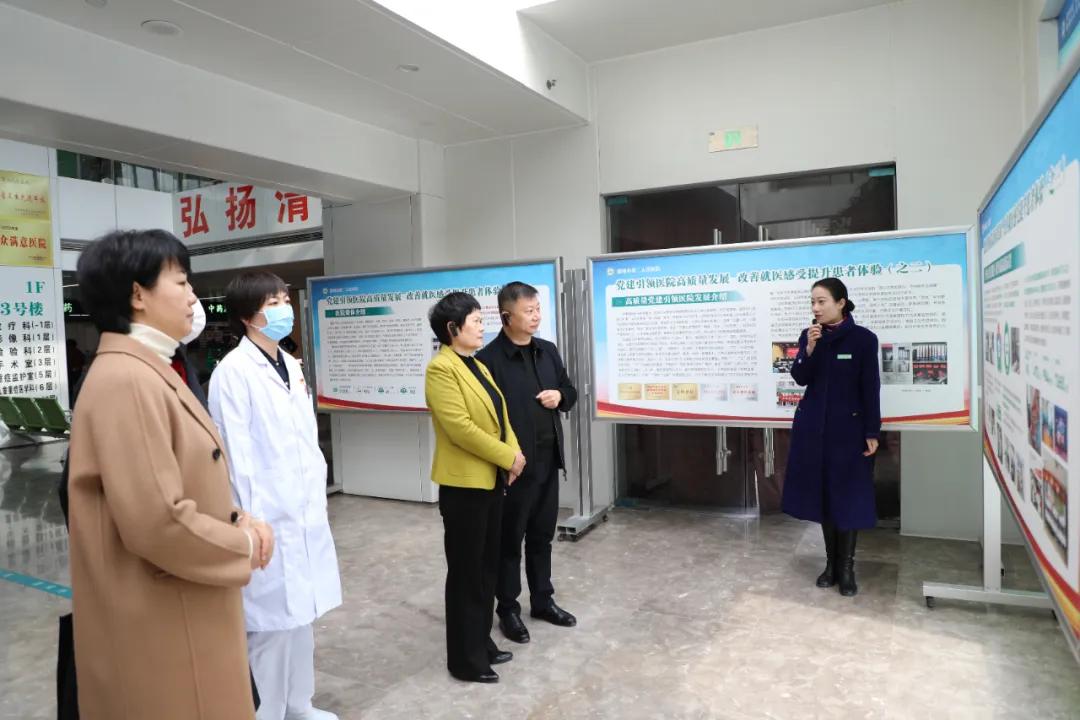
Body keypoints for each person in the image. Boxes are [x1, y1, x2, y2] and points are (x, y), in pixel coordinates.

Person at [67, 229, 274, 720]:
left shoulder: (148, 369)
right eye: (180, 282)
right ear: (138, 294)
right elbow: (157, 521)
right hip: (165, 624)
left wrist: (236, 516)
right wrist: (242, 542)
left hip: (178, 607)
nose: (192, 296)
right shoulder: (128, 379)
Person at [209, 272, 342, 720]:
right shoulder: (233, 372)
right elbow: (235, 455)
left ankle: (299, 705)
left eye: (285, 299)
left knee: (301, 618)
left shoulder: (291, 364)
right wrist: (249, 519)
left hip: (302, 508)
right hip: (265, 515)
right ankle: (266, 713)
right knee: (269, 626)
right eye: (273, 302)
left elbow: (304, 438)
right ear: (248, 316)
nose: (285, 308)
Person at [425, 292, 525, 683]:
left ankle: (481, 642)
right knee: (466, 573)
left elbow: (501, 417)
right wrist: (507, 457)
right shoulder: (441, 369)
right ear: (453, 328)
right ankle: (465, 660)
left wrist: (514, 453)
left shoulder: (476, 365)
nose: (483, 327)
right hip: (464, 487)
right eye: (476, 321)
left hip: (490, 481)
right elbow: (461, 429)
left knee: (486, 569)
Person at [476, 282, 578, 644]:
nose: (536, 317)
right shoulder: (488, 361)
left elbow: (571, 391)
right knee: (509, 541)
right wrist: (505, 460)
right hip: (514, 469)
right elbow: (485, 422)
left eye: (537, 310)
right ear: (507, 316)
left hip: (548, 461)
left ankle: (542, 601)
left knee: (541, 536)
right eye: (528, 311)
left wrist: (560, 396)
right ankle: (508, 609)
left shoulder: (547, 351)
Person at [782, 277, 880, 597]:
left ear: (841, 303)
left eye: (822, 301)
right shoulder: (810, 336)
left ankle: (847, 568)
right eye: (813, 302)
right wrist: (809, 350)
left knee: (847, 498)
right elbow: (800, 378)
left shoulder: (864, 339)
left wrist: (872, 430)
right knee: (824, 496)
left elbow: (870, 388)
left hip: (849, 432)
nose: (816, 308)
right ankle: (831, 565)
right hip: (814, 431)